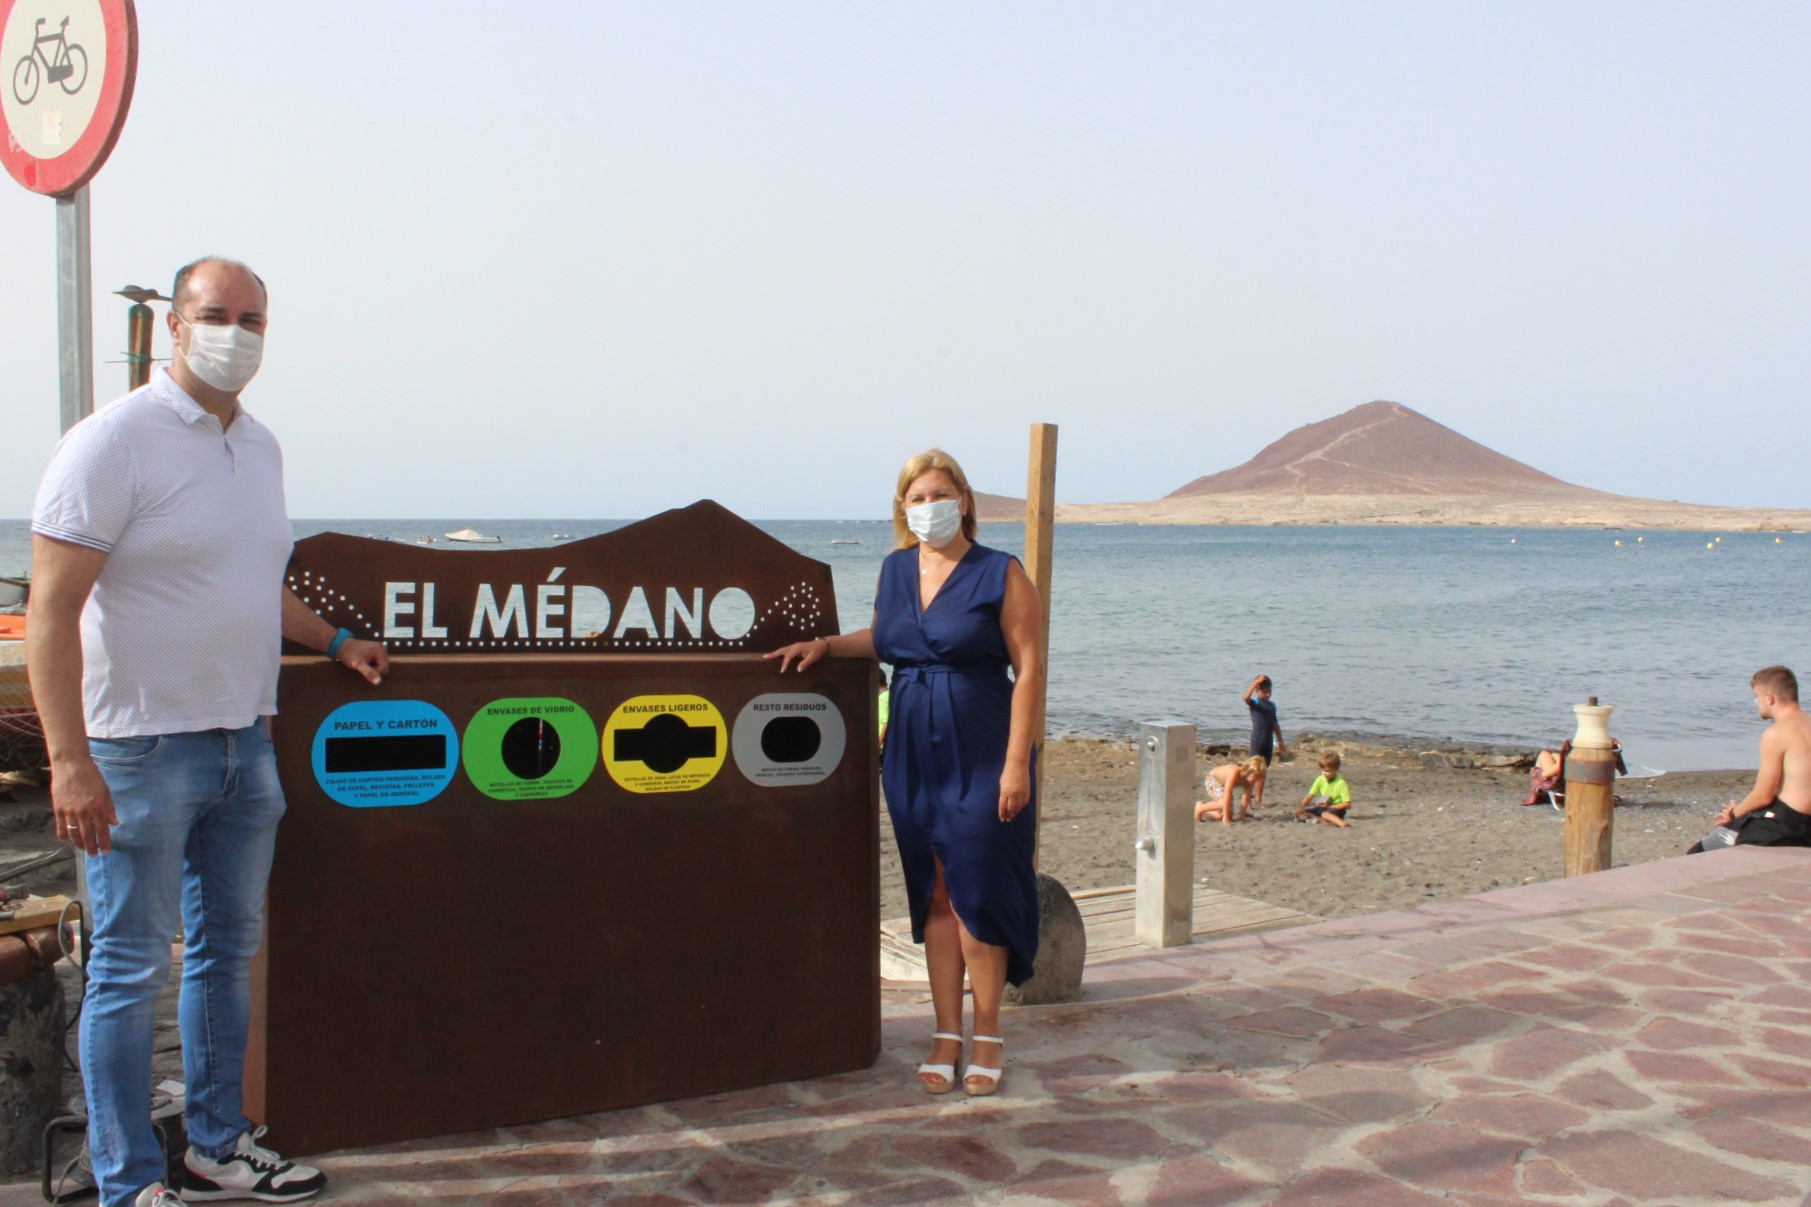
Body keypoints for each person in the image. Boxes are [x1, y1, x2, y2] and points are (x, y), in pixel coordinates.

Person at [27, 258, 390, 1207]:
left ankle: (217, 1143)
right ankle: (127, 1182)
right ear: (175, 326)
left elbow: (245, 582)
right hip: (138, 750)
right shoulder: (112, 443)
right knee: (126, 970)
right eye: (216, 314)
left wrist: (338, 639)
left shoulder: (258, 446)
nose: (237, 332)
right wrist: (68, 761)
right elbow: (53, 609)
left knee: (229, 953)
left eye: (254, 318)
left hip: (243, 742)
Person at [767, 449, 1042, 1098]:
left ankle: (989, 1032)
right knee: (935, 892)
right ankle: (946, 1033)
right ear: (902, 509)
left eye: (938, 493)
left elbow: (1028, 668)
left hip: (982, 742)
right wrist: (828, 646)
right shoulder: (894, 569)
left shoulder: (1001, 572)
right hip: (912, 749)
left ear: (965, 501)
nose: (927, 506)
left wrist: (1015, 763)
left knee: (977, 889)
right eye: (915, 498)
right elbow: (891, 638)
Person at [1688, 666, 1811, 853]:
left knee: (1699, 852)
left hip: (1788, 825)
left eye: (1757, 698)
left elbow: (1763, 795)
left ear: (1769, 697)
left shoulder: (1776, 734)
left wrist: (1733, 813)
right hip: (1800, 819)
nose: (1757, 703)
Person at [1195, 756, 1268, 825]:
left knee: (1226, 815)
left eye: (1257, 779)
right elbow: (1227, 793)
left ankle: (1203, 806)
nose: (1254, 781)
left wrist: (1242, 816)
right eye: (1254, 778)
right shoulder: (1235, 771)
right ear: (1248, 770)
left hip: (1224, 786)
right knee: (1223, 804)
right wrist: (1225, 818)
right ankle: (1200, 808)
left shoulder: (1250, 781)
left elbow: (1246, 798)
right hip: (1213, 780)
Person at [1297, 751, 1353, 827]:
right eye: (1323, 770)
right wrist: (1302, 806)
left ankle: (1342, 823)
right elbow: (1310, 796)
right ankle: (1323, 820)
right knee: (1303, 812)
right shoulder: (1320, 779)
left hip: (1337, 809)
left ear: (1336, 769)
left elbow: (1347, 804)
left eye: (1327, 771)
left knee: (1325, 814)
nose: (1324, 773)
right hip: (1324, 808)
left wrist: (1330, 807)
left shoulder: (1341, 783)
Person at [1244, 674, 1287, 764]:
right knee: (1254, 765)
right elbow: (1246, 698)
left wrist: (1281, 742)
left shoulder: (1272, 705)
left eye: (1269, 691)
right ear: (1257, 690)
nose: (1267, 695)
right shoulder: (1255, 703)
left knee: (1265, 766)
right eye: (1264, 692)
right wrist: (1256, 682)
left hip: (1268, 741)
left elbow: (1275, 724)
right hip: (1257, 740)